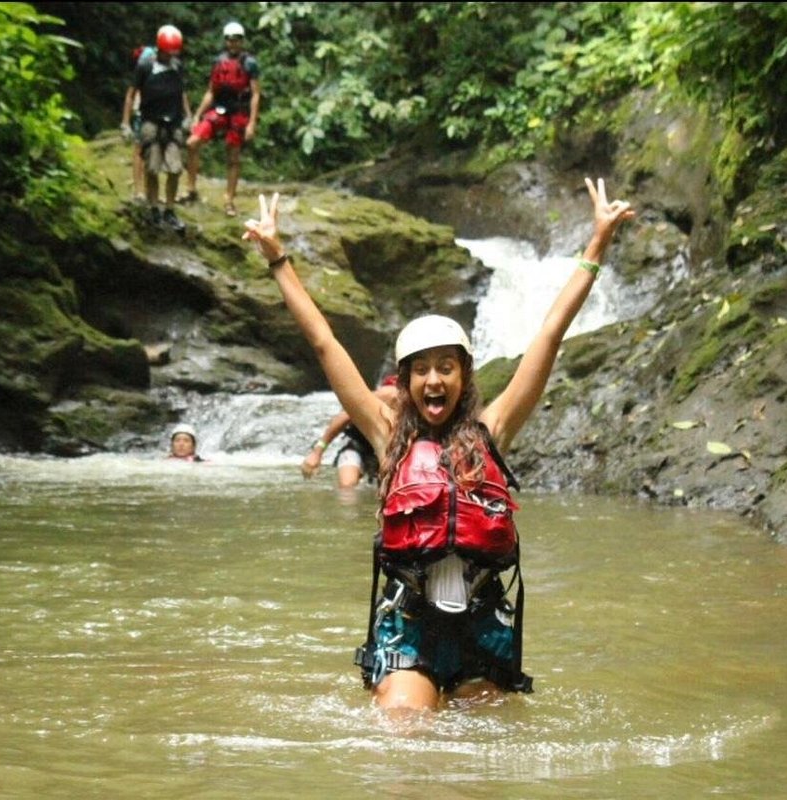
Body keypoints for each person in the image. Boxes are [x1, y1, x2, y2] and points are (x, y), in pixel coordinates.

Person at [242, 179, 635, 712]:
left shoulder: (492, 430)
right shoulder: (385, 435)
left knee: (481, 744)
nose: (433, 380)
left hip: (481, 622)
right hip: (409, 622)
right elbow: (323, 342)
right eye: (421, 370)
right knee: (406, 726)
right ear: (404, 382)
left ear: (464, 375)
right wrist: (278, 259)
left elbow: (548, 336)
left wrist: (597, 246)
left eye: (446, 367)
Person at [181, 21, 261, 218]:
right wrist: (198, 115)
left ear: (242, 41)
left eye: (236, 40)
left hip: (239, 112)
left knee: (233, 157)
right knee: (192, 143)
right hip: (220, 110)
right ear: (225, 41)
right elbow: (211, 91)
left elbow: (256, 94)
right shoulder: (218, 61)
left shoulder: (249, 63)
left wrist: (252, 122)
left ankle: (229, 200)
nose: (233, 43)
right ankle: (191, 189)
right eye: (230, 39)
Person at [131, 24, 192, 232]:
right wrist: (126, 121)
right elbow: (132, 93)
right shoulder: (145, 67)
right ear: (160, 49)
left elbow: (181, 92)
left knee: (175, 169)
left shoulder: (177, 66)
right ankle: (153, 208)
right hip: (151, 122)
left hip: (173, 123)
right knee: (152, 167)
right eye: (168, 52)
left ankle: (169, 209)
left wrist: (188, 116)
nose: (171, 56)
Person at [302, 377, 398, 488]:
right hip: (357, 443)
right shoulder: (389, 394)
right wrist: (317, 452)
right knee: (347, 486)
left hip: (388, 448)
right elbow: (345, 416)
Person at [120, 43, 156, 204]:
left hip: (155, 114)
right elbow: (131, 95)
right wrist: (126, 123)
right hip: (143, 113)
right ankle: (139, 190)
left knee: (151, 152)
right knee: (140, 150)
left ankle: (147, 191)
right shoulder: (143, 70)